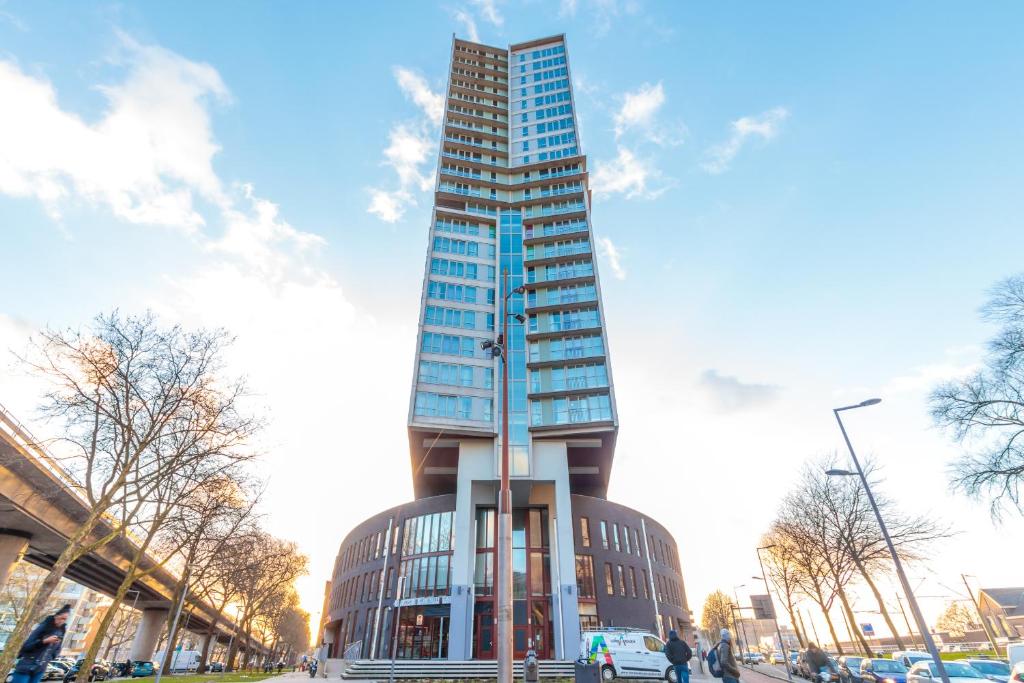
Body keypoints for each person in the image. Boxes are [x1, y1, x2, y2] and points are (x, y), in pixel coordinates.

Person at [12, 605, 71, 683]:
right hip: (26, 666)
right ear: (56, 616)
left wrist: (50, 657)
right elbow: (26, 647)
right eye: (62, 618)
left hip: (40, 669)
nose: (63, 621)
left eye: (65, 619)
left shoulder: (61, 631)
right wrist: (44, 641)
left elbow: (58, 649)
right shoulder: (43, 626)